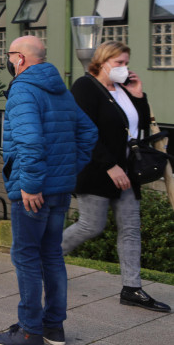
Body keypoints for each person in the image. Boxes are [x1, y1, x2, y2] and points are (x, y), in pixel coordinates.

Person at [0, 36, 97, 345]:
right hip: (59, 189)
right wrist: (66, 169)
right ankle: (53, 328)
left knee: (26, 258)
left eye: (9, 55)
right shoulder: (60, 89)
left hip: (33, 191)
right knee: (51, 256)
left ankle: (29, 330)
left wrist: (32, 185)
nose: (8, 61)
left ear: (20, 58)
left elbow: (30, 142)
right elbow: (89, 132)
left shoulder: (23, 89)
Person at [61, 41, 171, 313]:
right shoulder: (84, 87)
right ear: (102, 61)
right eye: (119, 62)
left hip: (128, 170)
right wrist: (110, 165)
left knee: (131, 228)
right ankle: (46, 259)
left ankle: (132, 288)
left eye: (126, 62)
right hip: (98, 170)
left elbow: (141, 129)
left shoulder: (123, 89)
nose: (124, 68)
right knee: (91, 226)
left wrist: (138, 95)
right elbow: (84, 132)